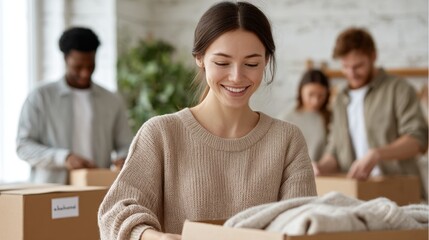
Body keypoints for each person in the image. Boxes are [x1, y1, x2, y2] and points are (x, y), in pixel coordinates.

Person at [98, 2, 317, 239]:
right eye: (222, 63)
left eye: (251, 64)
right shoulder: (161, 134)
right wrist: (154, 237)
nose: (236, 77)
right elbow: (114, 212)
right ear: (200, 58)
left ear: (266, 60)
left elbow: (302, 225)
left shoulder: (287, 140)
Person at [16, 27, 133, 184]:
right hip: (51, 189)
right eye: (78, 67)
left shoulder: (111, 100)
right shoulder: (40, 97)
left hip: (97, 188)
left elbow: (126, 145)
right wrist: (64, 158)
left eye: (90, 66)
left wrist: (123, 158)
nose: (85, 73)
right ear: (65, 59)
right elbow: (23, 146)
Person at [313, 27, 428, 182]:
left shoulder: (399, 89)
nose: (351, 73)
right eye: (345, 67)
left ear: (373, 56)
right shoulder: (340, 98)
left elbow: (418, 139)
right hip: (356, 192)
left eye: (358, 66)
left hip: (399, 188)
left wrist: (377, 154)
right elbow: (335, 150)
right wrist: (320, 168)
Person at [280, 69, 331, 162]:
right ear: (301, 91)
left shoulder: (331, 118)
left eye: (321, 96)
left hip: (324, 173)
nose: (315, 101)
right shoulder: (286, 119)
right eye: (311, 94)